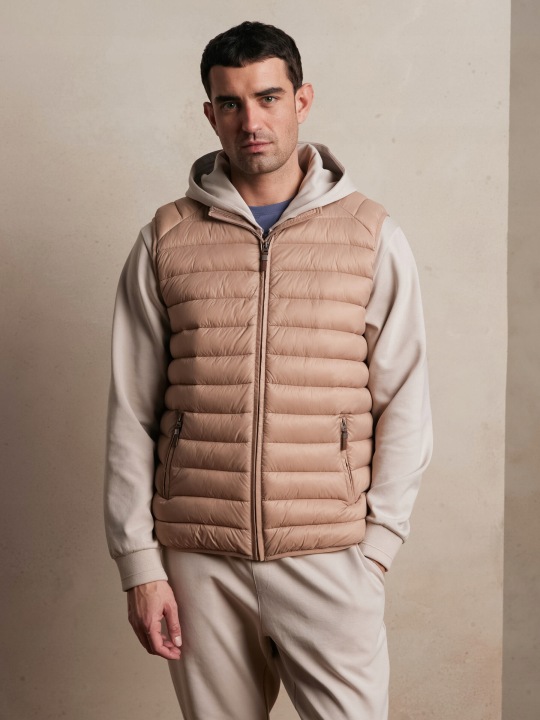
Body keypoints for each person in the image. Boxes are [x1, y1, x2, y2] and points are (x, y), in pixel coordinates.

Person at [103, 20, 433, 720]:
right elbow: (131, 412)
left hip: (330, 555)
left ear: (302, 100)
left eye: (268, 98)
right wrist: (140, 565)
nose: (250, 122)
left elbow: (406, 400)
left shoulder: (370, 233)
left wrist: (375, 551)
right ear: (210, 113)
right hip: (199, 557)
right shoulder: (166, 238)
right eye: (231, 103)